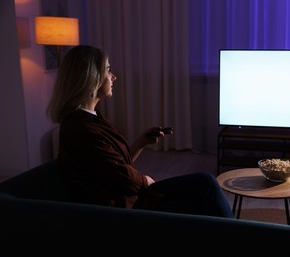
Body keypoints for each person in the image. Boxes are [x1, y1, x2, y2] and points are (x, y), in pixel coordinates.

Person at [47, 45, 234, 218]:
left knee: (202, 187)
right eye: (108, 70)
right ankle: (241, 238)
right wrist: (147, 181)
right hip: (124, 209)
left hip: (129, 198)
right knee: (205, 185)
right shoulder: (82, 129)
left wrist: (140, 144)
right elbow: (125, 178)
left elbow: (112, 166)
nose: (113, 77)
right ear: (91, 77)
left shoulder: (89, 119)